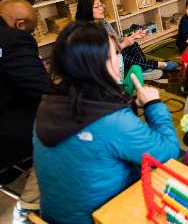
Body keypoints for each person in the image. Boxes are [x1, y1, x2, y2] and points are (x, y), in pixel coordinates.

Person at [33, 22, 179, 224]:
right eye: (115, 55)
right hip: (103, 217)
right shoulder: (112, 121)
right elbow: (168, 153)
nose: (120, 63)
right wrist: (153, 105)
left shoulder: (45, 106)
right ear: (97, 64)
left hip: (52, 218)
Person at [0, 0, 51, 222]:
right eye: (30, 31)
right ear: (20, 25)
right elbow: (43, 90)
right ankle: (28, 207)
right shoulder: (14, 39)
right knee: (61, 126)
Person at [76, 0, 177, 80]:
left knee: (133, 44)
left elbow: (116, 38)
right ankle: (157, 65)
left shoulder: (103, 22)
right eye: (96, 7)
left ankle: (142, 70)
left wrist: (131, 37)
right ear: (87, 10)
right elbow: (105, 53)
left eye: (101, 5)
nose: (101, 8)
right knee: (122, 55)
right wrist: (124, 44)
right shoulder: (87, 31)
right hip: (102, 60)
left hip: (114, 50)